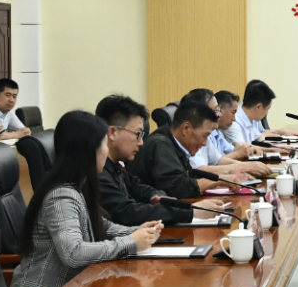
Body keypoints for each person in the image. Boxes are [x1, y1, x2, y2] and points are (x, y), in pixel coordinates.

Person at [10, 111, 161, 287]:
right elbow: (73, 254)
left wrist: (139, 231)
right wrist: (130, 242)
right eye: (104, 145)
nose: (106, 152)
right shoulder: (61, 195)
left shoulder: (77, 186)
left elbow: (101, 225)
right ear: (90, 151)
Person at [95, 95, 225, 227]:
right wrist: (191, 212)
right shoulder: (98, 173)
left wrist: (156, 195)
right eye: (137, 134)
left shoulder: (115, 167)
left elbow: (138, 187)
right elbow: (128, 213)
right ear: (112, 133)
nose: (141, 143)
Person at [129, 100, 242, 197]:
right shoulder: (161, 145)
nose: (204, 143)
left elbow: (188, 176)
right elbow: (177, 187)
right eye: (204, 136)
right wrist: (217, 181)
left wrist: (222, 177)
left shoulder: (174, 143)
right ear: (186, 128)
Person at [180, 89, 272, 177]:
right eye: (215, 110)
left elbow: (218, 160)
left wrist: (248, 166)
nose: (219, 114)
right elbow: (200, 170)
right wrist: (243, 167)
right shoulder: (191, 135)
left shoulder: (206, 135)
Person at [223, 80, 298, 145]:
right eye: (267, 109)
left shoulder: (252, 117)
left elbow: (261, 134)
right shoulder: (233, 121)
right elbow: (243, 150)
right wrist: (277, 149)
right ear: (258, 107)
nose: (267, 113)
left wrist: (283, 132)